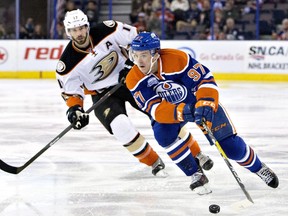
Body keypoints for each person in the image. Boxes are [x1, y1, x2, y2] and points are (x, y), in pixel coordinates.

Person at [55, 9, 212, 177]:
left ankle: (197, 153)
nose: (78, 33)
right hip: (102, 94)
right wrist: (75, 110)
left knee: (163, 114)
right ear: (68, 32)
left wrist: (133, 63)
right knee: (120, 126)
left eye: (81, 28)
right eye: (73, 30)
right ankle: (153, 162)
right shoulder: (67, 62)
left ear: (87, 26)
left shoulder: (108, 29)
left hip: (132, 79)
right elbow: (71, 93)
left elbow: (136, 40)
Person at [126, 32, 279, 194]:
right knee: (163, 134)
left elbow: (205, 79)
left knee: (230, 147)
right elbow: (155, 110)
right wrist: (183, 111)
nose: (139, 61)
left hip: (197, 101)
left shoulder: (178, 59)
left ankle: (258, 167)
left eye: (143, 55)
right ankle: (196, 174)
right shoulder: (133, 78)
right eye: (135, 55)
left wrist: (205, 102)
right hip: (173, 110)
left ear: (155, 54)